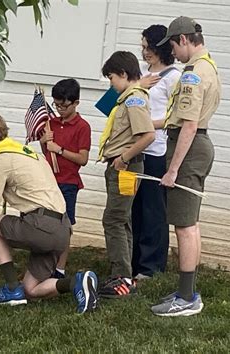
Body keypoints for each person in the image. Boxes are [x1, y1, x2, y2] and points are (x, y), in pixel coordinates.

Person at [0, 111, 98, 314]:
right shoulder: (31, 153)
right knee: (32, 289)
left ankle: (11, 288)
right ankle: (77, 283)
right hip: (63, 229)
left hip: (42, 226)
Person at [151, 16, 221, 317]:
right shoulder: (209, 66)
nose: (173, 54)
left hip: (189, 148)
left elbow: (189, 125)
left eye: (173, 47)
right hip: (195, 146)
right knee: (190, 223)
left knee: (184, 225)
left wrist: (172, 170)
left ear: (183, 40)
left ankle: (187, 297)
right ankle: (186, 290)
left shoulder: (193, 73)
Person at [97, 51, 155, 298]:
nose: (110, 83)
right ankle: (125, 274)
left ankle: (120, 277)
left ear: (123, 74)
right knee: (122, 219)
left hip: (125, 167)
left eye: (111, 77)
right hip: (121, 166)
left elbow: (148, 135)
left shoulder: (133, 100)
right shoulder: (126, 98)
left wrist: (123, 158)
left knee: (113, 219)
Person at [131, 25, 181, 280]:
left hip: (155, 150)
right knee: (133, 208)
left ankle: (151, 266)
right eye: (142, 47)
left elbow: (178, 116)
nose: (144, 52)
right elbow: (111, 104)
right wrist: (137, 85)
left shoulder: (174, 77)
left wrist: (147, 124)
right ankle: (132, 261)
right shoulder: (139, 74)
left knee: (153, 209)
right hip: (132, 150)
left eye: (148, 47)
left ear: (160, 47)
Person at [39, 78, 92, 279]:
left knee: (65, 225)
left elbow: (83, 159)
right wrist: (45, 143)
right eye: (56, 104)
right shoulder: (50, 123)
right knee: (44, 222)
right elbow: (47, 152)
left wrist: (59, 150)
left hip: (68, 182)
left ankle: (60, 268)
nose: (60, 109)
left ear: (76, 102)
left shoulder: (82, 127)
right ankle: (44, 264)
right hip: (48, 180)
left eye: (64, 105)